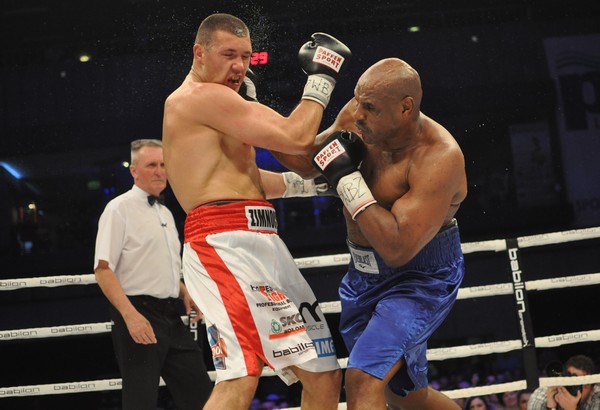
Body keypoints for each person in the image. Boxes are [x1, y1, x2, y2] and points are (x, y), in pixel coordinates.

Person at [161, 13, 351, 410]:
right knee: (242, 374)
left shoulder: (220, 105)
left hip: (262, 239)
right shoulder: (199, 97)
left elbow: (246, 179)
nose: (239, 66)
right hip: (223, 245)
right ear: (199, 53)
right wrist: (322, 78)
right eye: (228, 55)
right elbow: (296, 138)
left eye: (245, 56)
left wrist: (314, 185)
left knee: (323, 374)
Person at [272, 57, 468, 409]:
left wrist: (347, 179)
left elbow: (397, 249)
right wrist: (254, 112)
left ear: (406, 108)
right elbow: (307, 161)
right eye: (358, 100)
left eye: (371, 107)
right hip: (362, 275)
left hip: (420, 281)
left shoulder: (438, 157)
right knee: (406, 396)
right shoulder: (359, 114)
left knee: (363, 378)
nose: (358, 114)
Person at [94, 139, 213, 410]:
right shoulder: (118, 209)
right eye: (151, 165)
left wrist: (183, 291)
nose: (159, 171)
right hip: (137, 312)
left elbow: (157, 264)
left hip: (170, 314)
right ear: (134, 171)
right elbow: (102, 270)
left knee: (201, 395)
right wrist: (130, 316)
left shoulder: (165, 213)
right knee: (140, 401)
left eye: (163, 164)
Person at [527, 355, 600, 410]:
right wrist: (551, 407)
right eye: (571, 381)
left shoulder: (597, 397)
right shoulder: (542, 394)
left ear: (592, 389)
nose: (577, 388)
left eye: (583, 385)